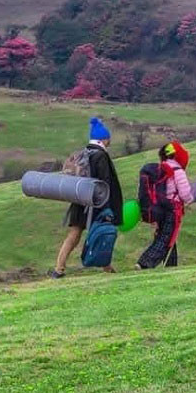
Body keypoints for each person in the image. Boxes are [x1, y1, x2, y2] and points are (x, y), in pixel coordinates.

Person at [51, 117, 123, 278]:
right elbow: (105, 182)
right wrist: (107, 206)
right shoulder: (101, 156)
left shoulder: (84, 154)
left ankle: (59, 268)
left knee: (74, 234)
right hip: (98, 202)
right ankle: (106, 266)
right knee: (103, 233)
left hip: (80, 201)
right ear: (103, 139)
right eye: (108, 138)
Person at [137, 141, 193, 269]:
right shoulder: (178, 171)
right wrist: (192, 198)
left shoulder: (160, 169)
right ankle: (144, 263)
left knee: (167, 236)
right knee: (166, 238)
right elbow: (185, 194)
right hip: (172, 210)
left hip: (160, 209)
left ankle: (171, 265)